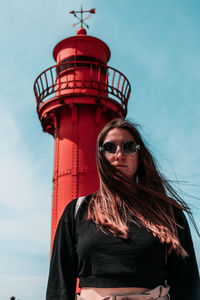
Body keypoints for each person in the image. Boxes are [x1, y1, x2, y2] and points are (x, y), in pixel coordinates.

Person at [46, 118, 200, 300]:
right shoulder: (76, 212)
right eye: (110, 147)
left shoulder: (169, 213)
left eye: (128, 147)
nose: (119, 154)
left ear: (139, 155)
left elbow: (187, 287)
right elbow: (59, 287)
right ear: (100, 156)